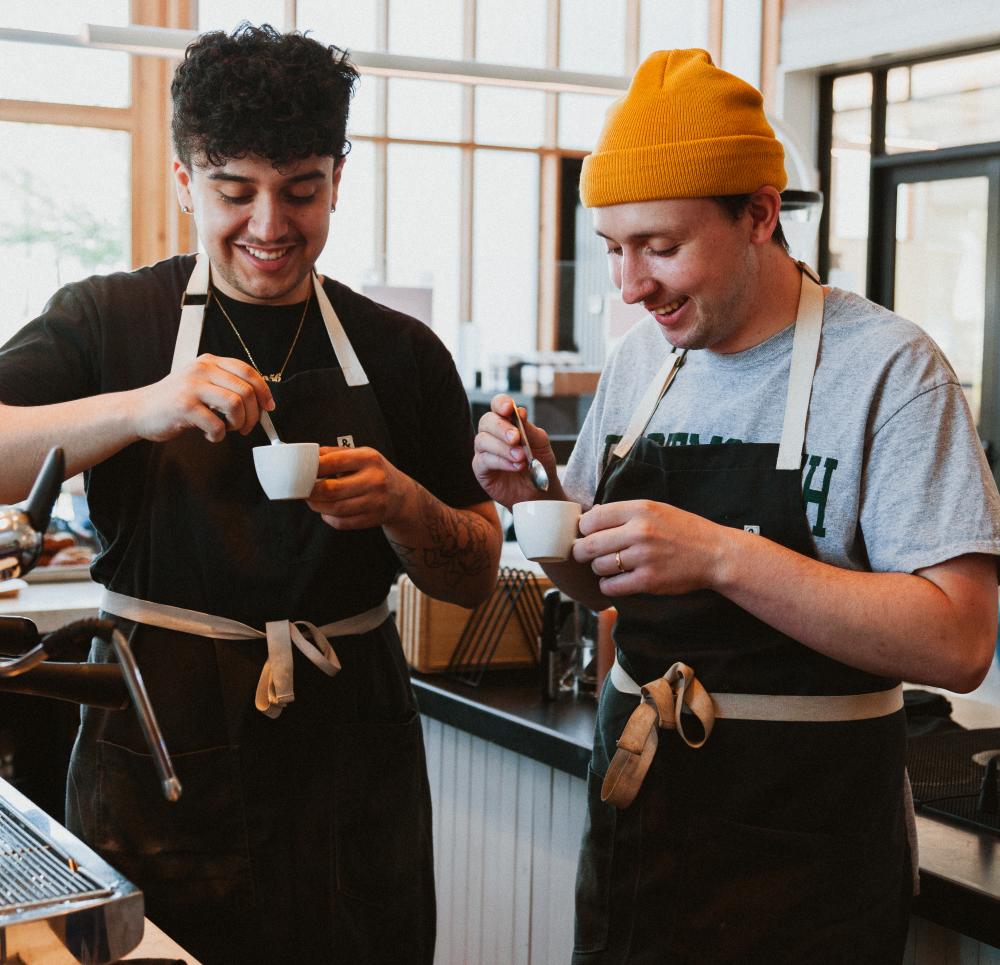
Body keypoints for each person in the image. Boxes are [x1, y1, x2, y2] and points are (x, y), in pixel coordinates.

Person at [473, 48, 1000, 964]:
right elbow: (599, 584)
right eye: (614, 250)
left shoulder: (889, 369)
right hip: (641, 833)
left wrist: (722, 555)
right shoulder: (644, 362)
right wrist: (539, 504)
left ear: (761, 213)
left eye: (661, 247)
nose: (631, 286)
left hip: (811, 861)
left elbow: (958, 641)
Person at [0, 24, 501, 965]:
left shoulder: (399, 351)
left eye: (302, 190)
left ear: (337, 179)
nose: (270, 225)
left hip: (353, 759)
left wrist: (402, 504)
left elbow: (474, 574)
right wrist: (143, 409)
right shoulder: (112, 319)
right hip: (160, 747)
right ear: (187, 180)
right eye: (236, 191)